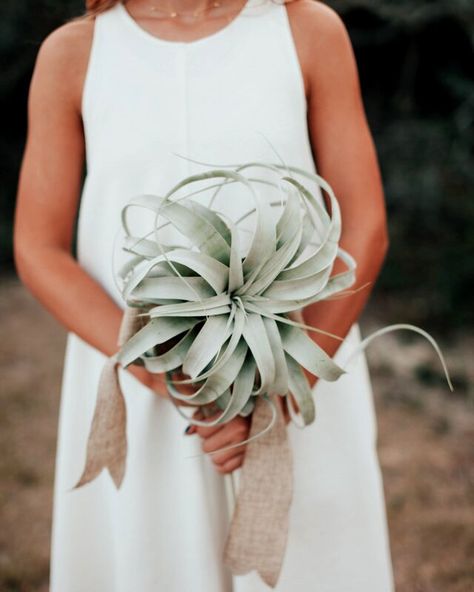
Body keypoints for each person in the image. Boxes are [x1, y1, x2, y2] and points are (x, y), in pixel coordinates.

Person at [13, 0, 395, 589]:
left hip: (298, 370)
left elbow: (364, 219)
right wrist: (174, 380)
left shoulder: (305, 29)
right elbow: (38, 247)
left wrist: (280, 388)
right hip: (152, 387)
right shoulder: (75, 53)